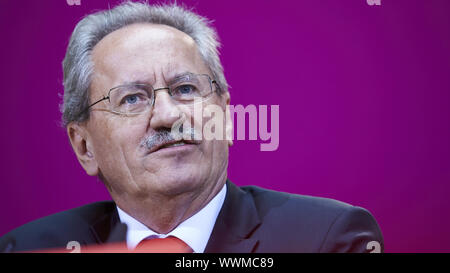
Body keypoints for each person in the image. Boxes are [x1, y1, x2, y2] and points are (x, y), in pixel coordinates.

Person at [0, 1, 383, 253]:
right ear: (84, 147)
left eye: (186, 89)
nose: (168, 115)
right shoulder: (31, 247)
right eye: (132, 98)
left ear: (226, 117)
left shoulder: (323, 238)